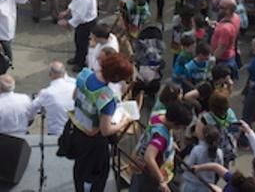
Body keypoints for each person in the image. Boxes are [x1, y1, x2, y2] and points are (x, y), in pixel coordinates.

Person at [70, 52, 135, 192]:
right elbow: (106, 131)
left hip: (77, 129)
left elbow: (74, 96)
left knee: (80, 167)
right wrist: (123, 122)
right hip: (93, 140)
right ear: (116, 77)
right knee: (98, 173)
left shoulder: (84, 74)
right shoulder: (106, 98)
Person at [128, 102, 193, 192]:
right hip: (150, 174)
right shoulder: (161, 137)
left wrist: (171, 142)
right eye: (182, 126)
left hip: (139, 162)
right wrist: (161, 181)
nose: (182, 128)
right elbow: (149, 157)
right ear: (175, 123)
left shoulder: (159, 115)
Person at [57, 0, 98, 71]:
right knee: (78, 41)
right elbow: (74, 1)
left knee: (83, 44)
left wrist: (67, 23)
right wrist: (68, 11)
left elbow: (80, 16)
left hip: (86, 23)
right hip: (82, 22)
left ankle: (81, 63)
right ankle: (77, 58)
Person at [32, 61, 76, 135]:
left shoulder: (46, 93)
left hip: (55, 133)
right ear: (64, 72)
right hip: (73, 132)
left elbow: (32, 107)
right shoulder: (74, 87)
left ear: (50, 74)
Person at [210, 0, 241, 78]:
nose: (218, 8)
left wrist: (212, 60)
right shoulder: (235, 17)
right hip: (231, 54)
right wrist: (218, 25)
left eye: (221, 7)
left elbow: (221, 48)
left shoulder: (225, 29)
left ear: (228, 10)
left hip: (223, 59)